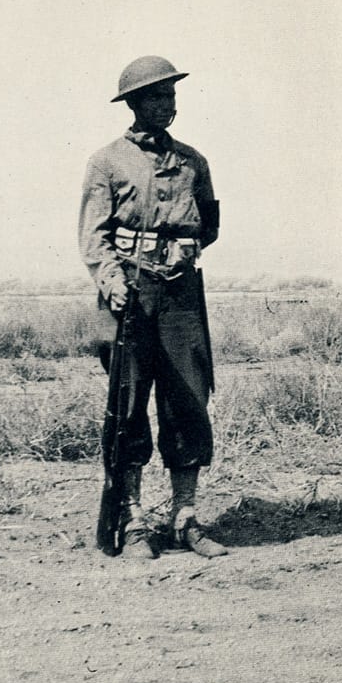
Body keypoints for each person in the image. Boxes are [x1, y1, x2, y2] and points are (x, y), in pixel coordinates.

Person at [78, 55, 225, 560]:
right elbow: (93, 235)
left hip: (182, 296)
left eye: (172, 96)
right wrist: (112, 278)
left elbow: (208, 224)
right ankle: (134, 522)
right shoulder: (107, 161)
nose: (167, 106)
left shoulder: (194, 162)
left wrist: (176, 251)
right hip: (130, 296)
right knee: (129, 407)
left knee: (188, 404)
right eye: (157, 97)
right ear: (135, 104)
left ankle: (185, 519)